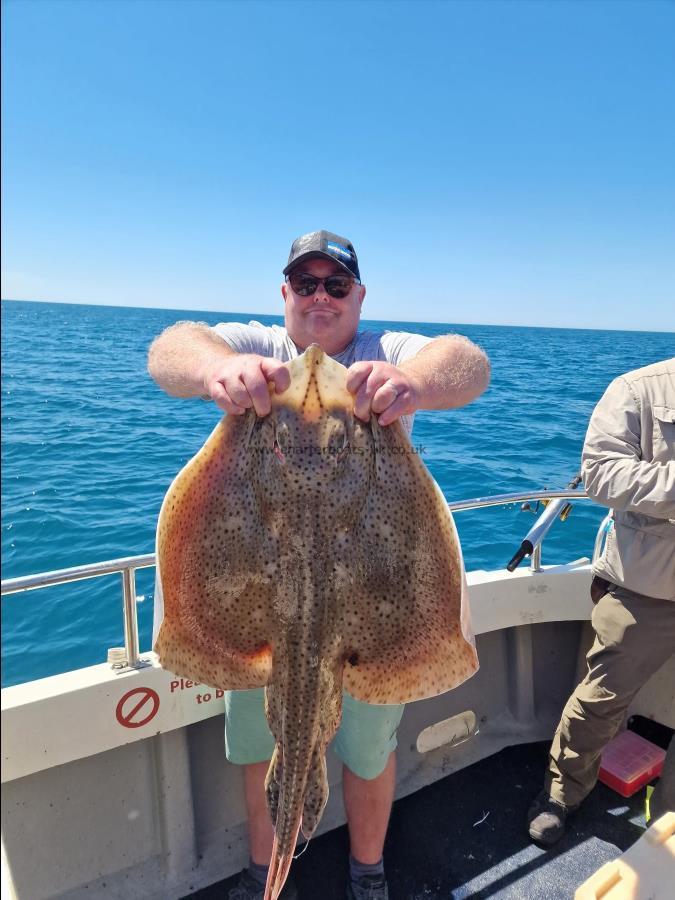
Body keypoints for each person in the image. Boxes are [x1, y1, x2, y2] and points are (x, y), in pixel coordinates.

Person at [148, 230, 491, 899]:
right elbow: (171, 348)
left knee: (367, 754)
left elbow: (468, 364)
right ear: (285, 295)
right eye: (305, 284)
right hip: (258, 611)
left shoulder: (385, 352)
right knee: (263, 748)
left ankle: (367, 873)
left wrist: (412, 383)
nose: (320, 296)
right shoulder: (256, 347)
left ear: (358, 297)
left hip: (368, 616)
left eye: (336, 285)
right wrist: (213, 371)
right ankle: (264, 871)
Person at [528, 358, 675, 846]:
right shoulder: (638, 389)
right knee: (600, 700)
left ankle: (668, 828)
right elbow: (602, 475)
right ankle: (560, 793)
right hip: (646, 587)